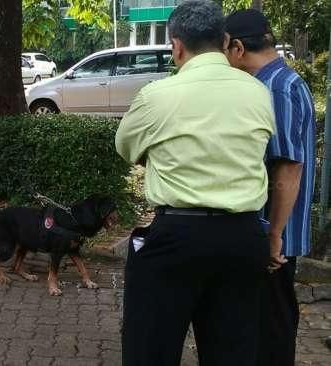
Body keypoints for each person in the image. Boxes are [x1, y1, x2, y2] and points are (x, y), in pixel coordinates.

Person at [115, 1, 275, 365]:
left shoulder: (158, 96)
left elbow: (126, 148)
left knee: (150, 350)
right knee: (233, 352)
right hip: (243, 238)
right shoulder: (257, 92)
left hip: (177, 237)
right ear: (225, 40)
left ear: (176, 45)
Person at [225, 9, 316, 366]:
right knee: (268, 323)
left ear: (236, 48)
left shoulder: (274, 88)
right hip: (273, 232)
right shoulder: (280, 81)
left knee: (271, 329)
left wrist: (274, 234)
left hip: (273, 236)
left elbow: (287, 165)